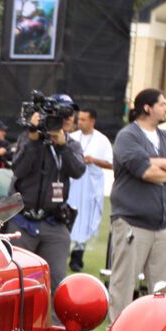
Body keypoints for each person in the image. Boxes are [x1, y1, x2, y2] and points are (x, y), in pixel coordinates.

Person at [108, 88, 166, 320]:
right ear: (147, 108)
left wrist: (159, 162)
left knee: (164, 290)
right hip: (132, 224)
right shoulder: (128, 137)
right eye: (162, 104)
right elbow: (148, 173)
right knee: (123, 285)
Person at [9, 95, 87, 331]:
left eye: (69, 117)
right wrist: (33, 138)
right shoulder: (28, 138)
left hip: (54, 222)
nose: (66, 121)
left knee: (57, 280)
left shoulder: (70, 144)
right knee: (19, 279)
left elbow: (78, 170)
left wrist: (62, 145)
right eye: (61, 117)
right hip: (23, 220)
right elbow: (18, 169)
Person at [66, 107, 114, 272]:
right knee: (67, 216)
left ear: (92, 121)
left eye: (83, 120)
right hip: (72, 185)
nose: (80, 122)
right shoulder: (71, 138)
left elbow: (111, 164)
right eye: (79, 119)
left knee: (85, 220)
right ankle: (62, 250)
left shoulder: (102, 140)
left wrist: (93, 160)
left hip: (90, 188)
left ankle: (77, 259)